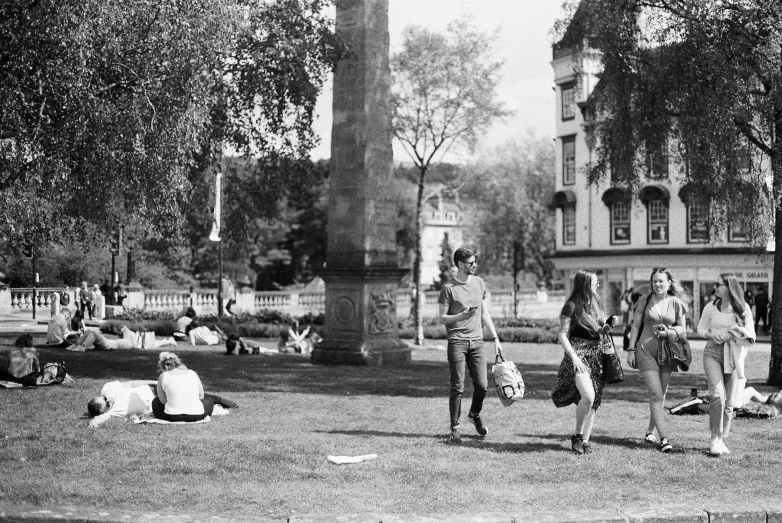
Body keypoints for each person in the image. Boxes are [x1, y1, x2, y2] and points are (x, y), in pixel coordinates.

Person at [438, 247, 503, 445]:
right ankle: (455, 429)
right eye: (471, 263)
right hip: (457, 341)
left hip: (477, 341)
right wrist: (461, 316)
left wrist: (495, 338)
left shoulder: (479, 283)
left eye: (475, 262)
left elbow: (484, 314)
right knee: (457, 386)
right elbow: (442, 318)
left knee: (482, 386)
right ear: (460, 264)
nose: (475, 265)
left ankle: (474, 414)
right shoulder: (448, 288)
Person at [552, 269, 616, 455]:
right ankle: (577, 435)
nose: (597, 285)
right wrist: (573, 357)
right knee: (587, 396)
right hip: (579, 356)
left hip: (597, 356)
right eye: (594, 282)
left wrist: (608, 326)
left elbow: (599, 331)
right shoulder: (571, 306)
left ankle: (585, 441)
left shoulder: (595, 304)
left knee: (593, 400)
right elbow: (562, 334)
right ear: (585, 284)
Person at [627, 268, 688, 453]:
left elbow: (683, 330)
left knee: (660, 395)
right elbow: (636, 325)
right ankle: (664, 438)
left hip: (667, 352)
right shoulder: (644, 301)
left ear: (669, 283)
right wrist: (631, 350)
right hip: (645, 350)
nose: (657, 284)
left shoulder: (676, 303)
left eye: (661, 281)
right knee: (655, 393)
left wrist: (668, 332)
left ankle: (650, 430)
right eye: (654, 281)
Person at [697, 272, 755, 456]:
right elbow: (700, 328)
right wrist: (710, 335)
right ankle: (714, 438)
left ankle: (721, 438)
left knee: (730, 402)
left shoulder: (742, 308)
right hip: (712, 353)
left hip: (733, 356)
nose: (715, 288)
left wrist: (732, 334)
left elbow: (750, 333)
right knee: (717, 395)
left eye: (718, 285)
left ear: (729, 287)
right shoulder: (711, 307)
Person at [87, 379, 238, 428]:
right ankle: (212, 403)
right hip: (158, 403)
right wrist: (94, 421)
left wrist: (154, 381)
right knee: (185, 400)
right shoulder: (111, 412)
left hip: (152, 389)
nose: (109, 400)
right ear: (105, 410)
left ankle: (222, 401)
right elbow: (101, 419)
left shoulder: (109, 389)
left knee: (186, 391)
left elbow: (132, 384)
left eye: (105, 398)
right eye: (107, 403)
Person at [152, 352, 213, 422]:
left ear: (165, 367)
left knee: (156, 401)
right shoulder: (192, 373)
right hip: (197, 416)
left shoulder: (163, 376)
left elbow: (163, 401)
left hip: (172, 416)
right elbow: (201, 396)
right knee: (209, 400)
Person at [69, 329, 135, 351]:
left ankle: (82, 347)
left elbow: (133, 345)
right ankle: (76, 345)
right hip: (108, 343)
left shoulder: (129, 343)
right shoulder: (127, 341)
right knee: (89, 331)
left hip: (109, 345)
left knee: (93, 332)